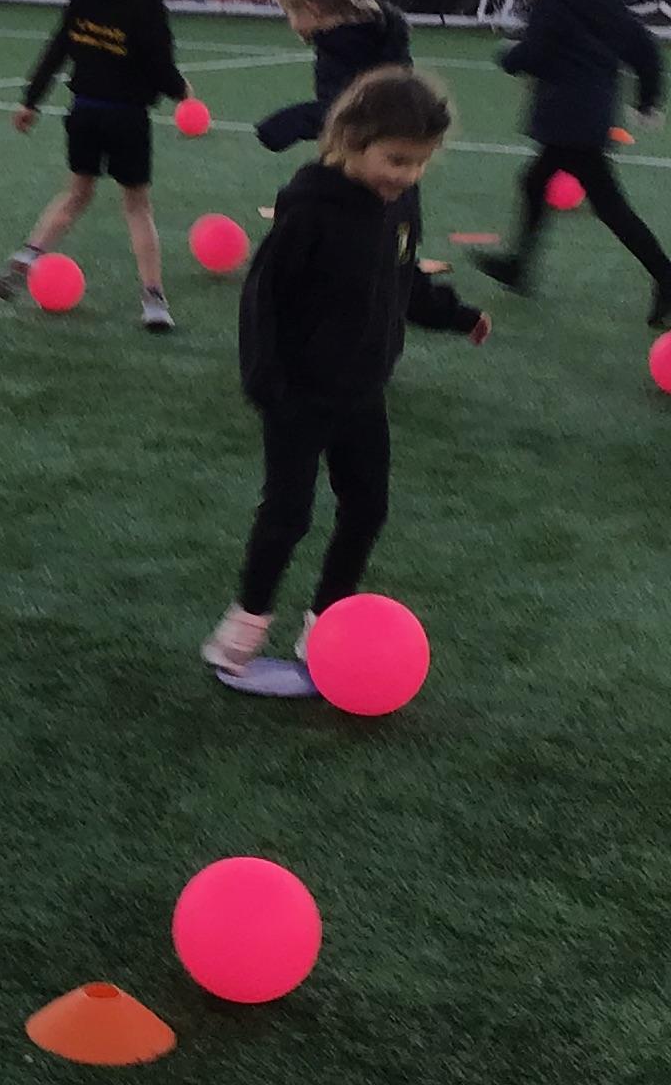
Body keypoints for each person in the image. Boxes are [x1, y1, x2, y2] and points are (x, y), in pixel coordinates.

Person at [203, 67, 487, 694]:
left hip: (363, 389)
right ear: (352, 140)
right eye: (396, 160)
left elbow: (404, 280)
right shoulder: (310, 210)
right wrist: (266, 382)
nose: (406, 175)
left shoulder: (399, 208)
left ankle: (326, 626)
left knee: (367, 507)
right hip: (299, 393)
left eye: (420, 163)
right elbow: (263, 297)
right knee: (289, 512)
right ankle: (244, 625)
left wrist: (457, 314)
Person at [472, 0, 671, 325]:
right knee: (537, 181)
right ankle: (519, 266)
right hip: (590, 115)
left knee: (607, 204)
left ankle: (669, 277)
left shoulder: (554, 2)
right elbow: (645, 51)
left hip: (566, 118)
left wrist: (508, 57)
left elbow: (535, 55)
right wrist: (648, 101)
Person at [0, 0, 189, 332]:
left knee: (76, 194)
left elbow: (57, 50)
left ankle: (29, 253)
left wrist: (31, 101)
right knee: (137, 207)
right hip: (127, 119)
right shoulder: (148, 6)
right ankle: (153, 300)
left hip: (83, 113)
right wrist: (182, 92)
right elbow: (160, 67)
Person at [254, 0, 412, 153]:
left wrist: (289, 123)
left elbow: (350, 111)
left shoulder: (342, 50)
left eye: (290, 13)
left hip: (365, 151)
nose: (290, 22)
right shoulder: (379, 31)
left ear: (312, 8)